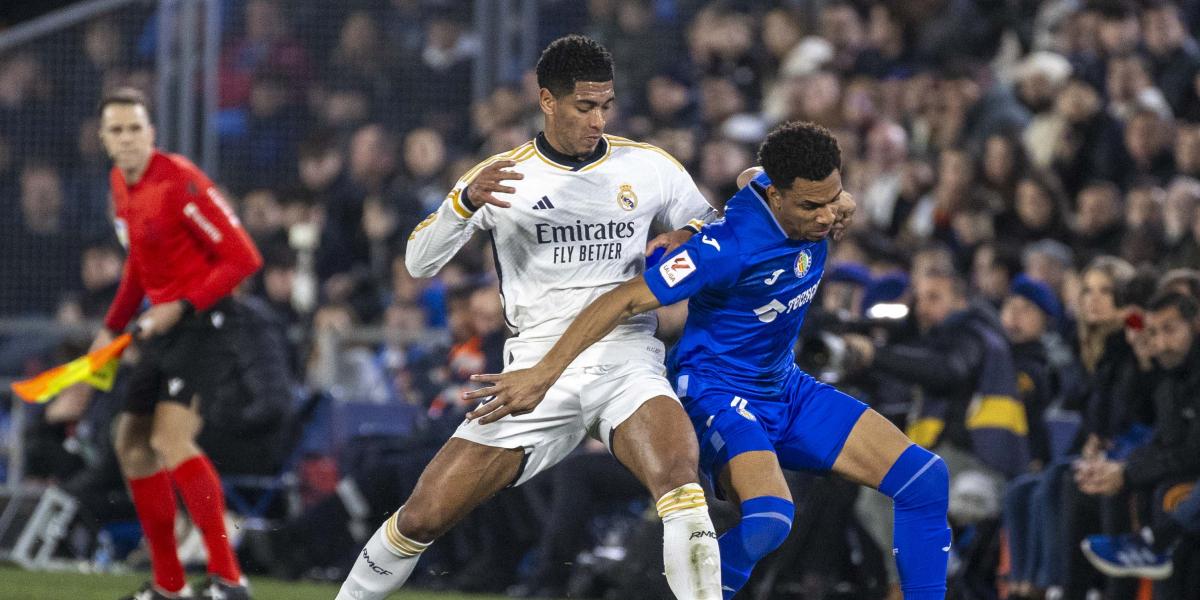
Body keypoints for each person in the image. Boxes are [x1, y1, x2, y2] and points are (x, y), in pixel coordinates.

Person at [465, 121, 951, 600]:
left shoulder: (785, 189)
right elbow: (622, 301)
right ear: (777, 197)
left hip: (785, 386)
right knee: (769, 520)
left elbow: (750, 177)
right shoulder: (727, 248)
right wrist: (542, 373)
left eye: (833, 198)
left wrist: (835, 199)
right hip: (717, 392)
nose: (826, 218)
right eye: (811, 205)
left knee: (925, 480)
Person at [336, 35, 722, 600]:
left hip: (626, 361)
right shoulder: (503, 175)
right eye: (584, 106)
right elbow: (419, 263)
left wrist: (685, 233)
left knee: (680, 481)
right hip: (531, 377)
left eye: (606, 106)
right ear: (547, 101)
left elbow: (711, 231)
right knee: (421, 517)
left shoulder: (649, 167)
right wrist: (462, 203)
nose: (598, 119)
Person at [86, 87, 263, 600]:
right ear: (103, 139)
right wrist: (113, 324)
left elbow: (243, 259)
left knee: (169, 440)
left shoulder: (180, 181)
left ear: (151, 132)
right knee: (130, 445)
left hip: (206, 321)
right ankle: (170, 586)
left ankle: (231, 580)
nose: (127, 138)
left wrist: (180, 308)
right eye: (116, 130)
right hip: (163, 326)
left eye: (135, 128)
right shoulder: (120, 183)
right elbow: (140, 264)